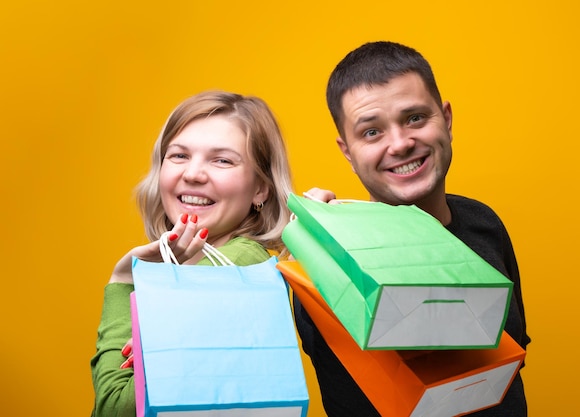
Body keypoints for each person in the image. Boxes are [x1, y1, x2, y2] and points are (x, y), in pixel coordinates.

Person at [293, 41, 530, 416]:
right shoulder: (325, 260)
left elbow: (515, 356)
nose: (401, 144)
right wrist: (315, 245)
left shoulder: (485, 224)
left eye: (415, 118)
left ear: (446, 119)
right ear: (347, 152)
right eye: (371, 132)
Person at [90, 90, 293, 417]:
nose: (193, 174)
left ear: (261, 188)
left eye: (222, 160)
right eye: (179, 156)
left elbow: (116, 407)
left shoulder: (238, 268)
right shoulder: (187, 274)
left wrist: (123, 280)